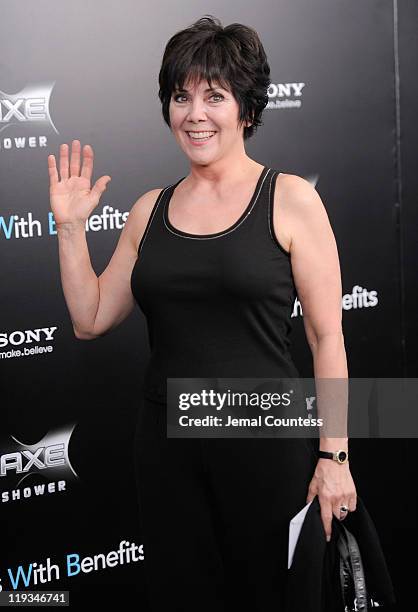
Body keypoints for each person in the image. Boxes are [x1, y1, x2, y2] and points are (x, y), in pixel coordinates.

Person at [48, 14, 357, 612]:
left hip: (265, 440)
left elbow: (327, 338)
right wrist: (68, 229)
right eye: (181, 96)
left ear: (245, 108)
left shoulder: (291, 198)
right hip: (167, 449)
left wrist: (335, 456)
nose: (195, 113)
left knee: (271, 596)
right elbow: (89, 318)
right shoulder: (148, 211)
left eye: (214, 96)